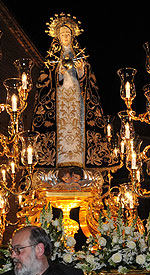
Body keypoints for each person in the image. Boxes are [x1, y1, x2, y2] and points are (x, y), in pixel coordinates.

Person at [32, 13, 110, 168]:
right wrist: (58, 74)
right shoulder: (51, 59)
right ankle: (59, 163)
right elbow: (44, 84)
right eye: (62, 34)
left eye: (67, 34)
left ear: (73, 36)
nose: (65, 36)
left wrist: (82, 71)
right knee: (61, 126)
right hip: (58, 100)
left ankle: (79, 162)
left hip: (76, 99)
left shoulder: (81, 57)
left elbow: (90, 85)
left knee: (76, 126)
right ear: (58, 37)